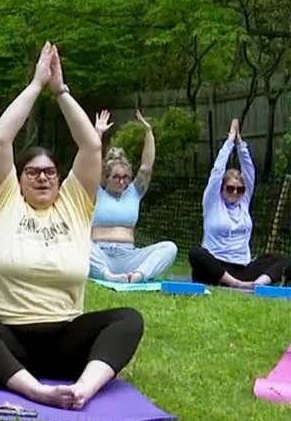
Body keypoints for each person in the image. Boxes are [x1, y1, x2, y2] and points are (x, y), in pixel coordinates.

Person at [0, 43, 144, 410]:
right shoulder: (2, 201)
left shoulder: (75, 203)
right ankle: (35, 390)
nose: (42, 178)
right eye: (32, 172)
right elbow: (2, 139)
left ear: (59, 178)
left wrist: (61, 91)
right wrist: (36, 85)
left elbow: (90, 146)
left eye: (49, 172)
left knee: (129, 319)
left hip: (66, 339)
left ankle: (82, 388)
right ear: (17, 179)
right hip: (6, 339)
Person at [189, 119, 290, 288]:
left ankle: (257, 284)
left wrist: (241, 144)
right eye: (230, 188)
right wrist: (230, 141)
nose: (235, 193)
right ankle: (237, 285)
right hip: (217, 268)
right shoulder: (213, 202)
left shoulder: (243, 203)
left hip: (244, 268)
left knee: (282, 259)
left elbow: (250, 171)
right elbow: (217, 171)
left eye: (240, 189)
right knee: (196, 253)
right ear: (221, 188)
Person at [88, 109, 177, 282]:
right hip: (100, 254)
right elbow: (90, 161)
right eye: (116, 177)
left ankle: (137, 276)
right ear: (106, 177)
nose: (121, 182)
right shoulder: (96, 191)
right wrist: (98, 132)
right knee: (77, 242)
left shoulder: (134, 193)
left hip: (129, 256)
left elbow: (146, 166)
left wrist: (148, 131)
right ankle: (107, 275)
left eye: (125, 178)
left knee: (170, 247)